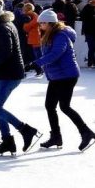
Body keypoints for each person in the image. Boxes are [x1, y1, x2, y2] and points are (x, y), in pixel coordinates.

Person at [0, 0, 41, 156]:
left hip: (9, 73)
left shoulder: (1, 28)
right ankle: (7, 141)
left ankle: (25, 130)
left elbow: (6, 51)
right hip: (4, 72)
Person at [30, 10, 95, 151]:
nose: (41, 25)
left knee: (64, 106)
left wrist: (38, 63)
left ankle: (86, 132)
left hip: (67, 76)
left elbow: (55, 54)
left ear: (52, 23)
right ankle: (56, 137)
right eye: (40, 22)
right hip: (57, 76)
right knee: (50, 105)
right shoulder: (50, 34)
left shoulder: (60, 35)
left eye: (44, 22)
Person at [21, 3, 44, 76]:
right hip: (34, 37)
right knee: (36, 54)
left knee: (37, 55)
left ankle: (40, 70)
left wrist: (25, 26)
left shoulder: (31, 15)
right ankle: (39, 69)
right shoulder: (33, 14)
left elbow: (34, 22)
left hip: (34, 37)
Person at [79, 0, 95, 68]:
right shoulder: (87, 7)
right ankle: (90, 63)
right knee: (91, 47)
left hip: (90, 30)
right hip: (89, 31)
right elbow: (82, 17)